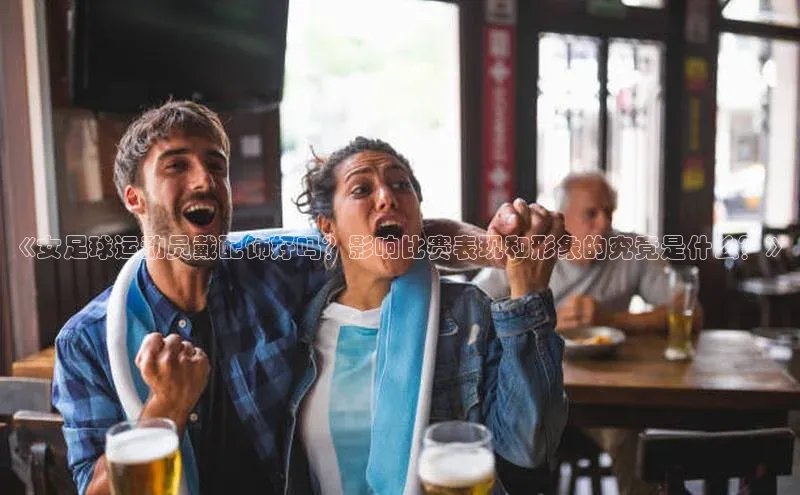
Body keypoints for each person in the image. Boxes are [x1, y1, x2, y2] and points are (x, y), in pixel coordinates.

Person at [51, 101, 533, 495]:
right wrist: (166, 408)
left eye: (216, 166)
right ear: (134, 198)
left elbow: (383, 236)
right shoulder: (89, 340)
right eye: (177, 165)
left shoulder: (271, 269)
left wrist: (495, 250)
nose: (205, 181)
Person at [283, 137, 569, 494]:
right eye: (361, 189)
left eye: (401, 185)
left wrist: (527, 291)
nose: (387, 196)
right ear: (328, 226)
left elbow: (527, 447)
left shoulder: (466, 313)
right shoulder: (293, 325)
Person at [474, 172, 703, 495]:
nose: (604, 224)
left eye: (609, 213)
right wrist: (537, 321)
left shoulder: (631, 248)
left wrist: (613, 318)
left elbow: (691, 312)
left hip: (608, 393)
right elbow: (471, 312)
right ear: (562, 217)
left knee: (628, 438)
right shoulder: (528, 250)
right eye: (591, 214)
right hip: (537, 391)